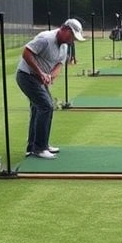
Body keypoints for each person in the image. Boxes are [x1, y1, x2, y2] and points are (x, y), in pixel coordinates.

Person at [17, 18, 84, 159]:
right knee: (46, 106)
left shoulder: (65, 45)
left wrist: (50, 76)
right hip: (26, 76)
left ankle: (34, 147)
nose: (73, 40)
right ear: (65, 30)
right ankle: (39, 148)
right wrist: (41, 72)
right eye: (72, 36)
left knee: (39, 108)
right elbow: (26, 53)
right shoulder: (46, 39)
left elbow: (59, 64)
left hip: (38, 79)